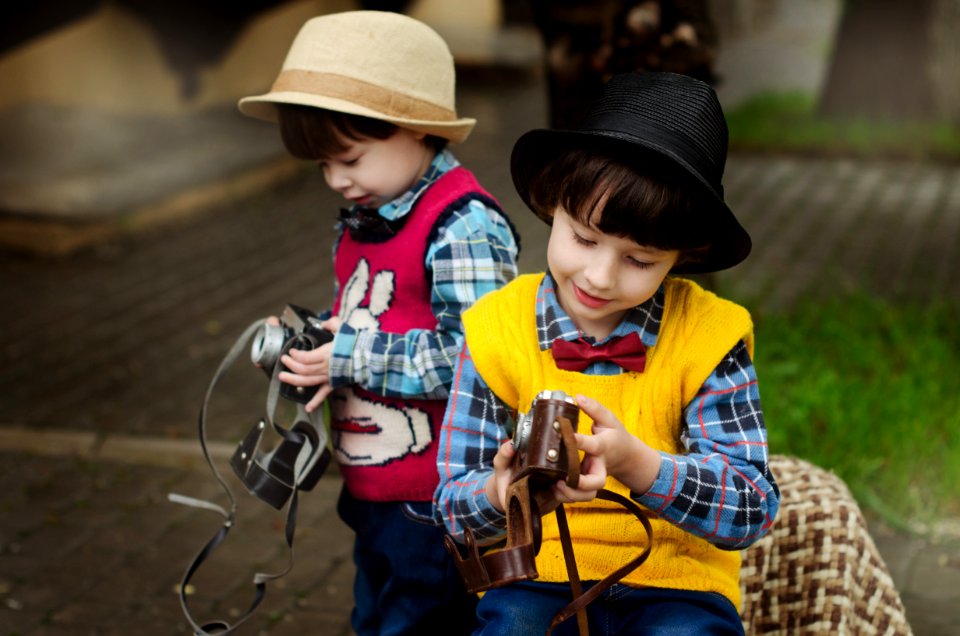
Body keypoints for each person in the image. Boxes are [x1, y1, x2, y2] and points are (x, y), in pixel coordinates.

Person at [434, 71, 779, 635]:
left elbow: (751, 508)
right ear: (552, 205)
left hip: (677, 582)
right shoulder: (497, 328)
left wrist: (636, 464)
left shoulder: (711, 335)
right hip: (537, 574)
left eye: (639, 260)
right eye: (584, 239)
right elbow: (449, 508)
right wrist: (501, 491)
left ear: (682, 256)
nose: (599, 276)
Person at [237, 11, 519, 635]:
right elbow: (372, 318)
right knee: (378, 610)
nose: (337, 180)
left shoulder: (462, 226)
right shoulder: (372, 211)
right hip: (373, 485)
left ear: (418, 130)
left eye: (350, 158)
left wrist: (350, 357)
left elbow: (483, 359)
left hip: (436, 493)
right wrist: (311, 340)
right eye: (322, 167)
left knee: (417, 620)